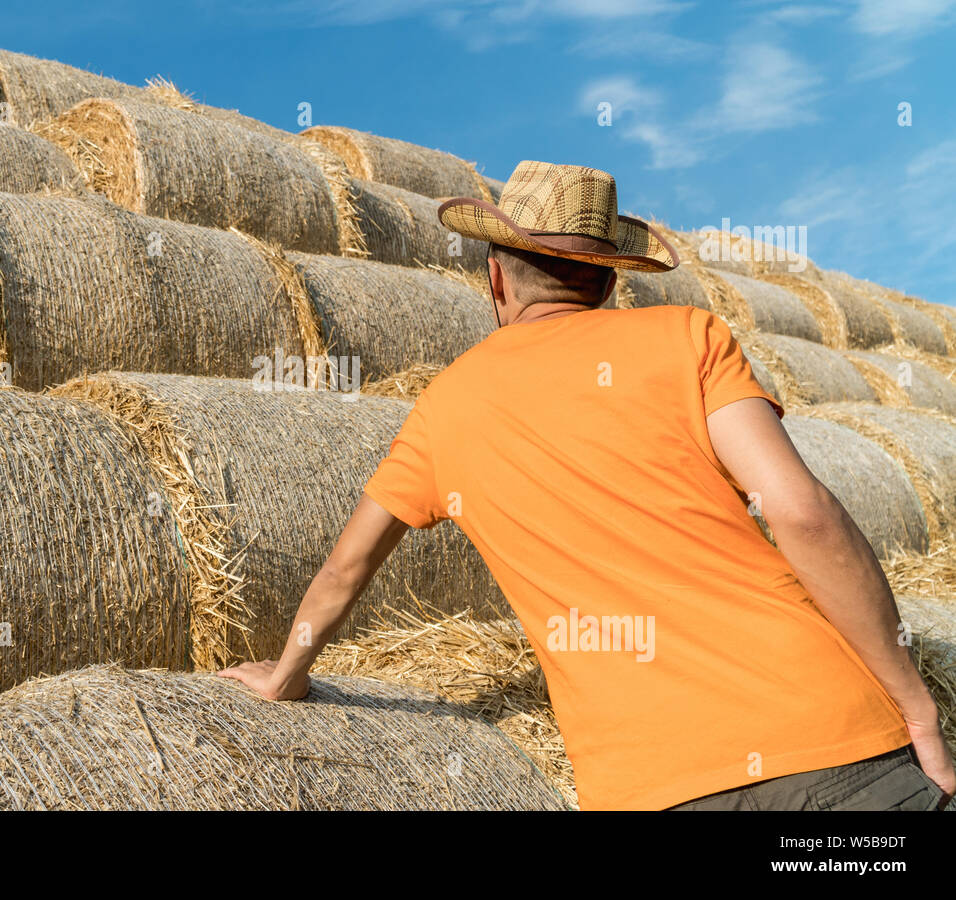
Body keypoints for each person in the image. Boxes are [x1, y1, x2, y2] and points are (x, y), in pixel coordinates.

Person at [219, 160, 955, 811]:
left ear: (496, 276)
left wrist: (288, 673)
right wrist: (917, 705)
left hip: (650, 782)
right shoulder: (688, 336)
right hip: (836, 741)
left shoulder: (444, 407)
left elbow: (345, 570)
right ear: (608, 281)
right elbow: (803, 514)